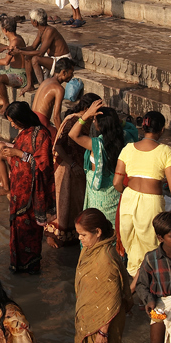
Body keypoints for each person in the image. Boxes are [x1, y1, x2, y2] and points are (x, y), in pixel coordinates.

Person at [74, 208, 133, 343]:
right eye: (78, 235)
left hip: (105, 324)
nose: (80, 239)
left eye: (83, 235)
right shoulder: (91, 251)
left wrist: (102, 331)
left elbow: (112, 299)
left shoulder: (105, 259)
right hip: (91, 317)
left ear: (98, 232)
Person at [114, 111, 171, 282]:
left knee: (132, 241)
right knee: (152, 243)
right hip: (151, 202)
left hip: (129, 199)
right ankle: (151, 283)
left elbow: (117, 181)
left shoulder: (128, 148)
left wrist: (127, 194)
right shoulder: (165, 150)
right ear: (161, 130)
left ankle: (135, 281)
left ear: (143, 127)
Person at [1, 102, 55, 274]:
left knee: (29, 232)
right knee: (17, 229)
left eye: (13, 121)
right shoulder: (24, 133)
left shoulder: (42, 135)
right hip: (18, 192)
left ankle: (31, 269)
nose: (12, 125)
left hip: (32, 194)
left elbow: (43, 164)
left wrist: (17, 154)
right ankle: (17, 267)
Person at [45, 93, 101, 248]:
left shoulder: (89, 121)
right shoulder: (74, 120)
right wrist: (72, 164)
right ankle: (54, 236)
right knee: (63, 205)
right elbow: (58, 145)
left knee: (76, 204)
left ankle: (75, 236)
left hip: (79, 168)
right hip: (67, 168)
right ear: (86, 108)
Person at [69, 99, 125, 226]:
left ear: (100, 125)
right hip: (115, 194)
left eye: (94, 120)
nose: (93, 121)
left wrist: (86, 115)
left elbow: (73, 134)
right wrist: (113, 118)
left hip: (98, 196)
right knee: (112, 227)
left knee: (96, 226)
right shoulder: (124, 139)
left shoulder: (96, 144)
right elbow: (129, 127)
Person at [136, 211, 171, 343]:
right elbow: (142, 284)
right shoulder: (151, 258)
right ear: (160, 237)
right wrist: (148, 300)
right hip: (160, 303)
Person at [9, 8, 71, 93]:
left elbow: (41, 52)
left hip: (62, 60)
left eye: (31, 19)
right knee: (28, 56)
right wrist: (19, 49)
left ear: (35, 22)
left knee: (35, 59)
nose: (30, 21)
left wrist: (20, 52)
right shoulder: (41, 31)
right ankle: (30, 85)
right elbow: (33, 47)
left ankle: (42, 87)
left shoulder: (50, 31)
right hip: (52, 58)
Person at [0, 17, 27, 114]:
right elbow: (12, 47)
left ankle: (6, 103)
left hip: (19, 76)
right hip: (12, 71)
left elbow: (5, 62)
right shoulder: (17, 38)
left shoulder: (15, 41)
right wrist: (3, 48)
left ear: (5, 30)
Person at [31, 58, 75, 142]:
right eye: (71, 73)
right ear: (64, 72)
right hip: (42, 124)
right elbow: (56, 117)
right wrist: (61, 135)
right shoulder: (59, 89)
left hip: (32, 121)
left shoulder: (46, 81)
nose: (72, 76)